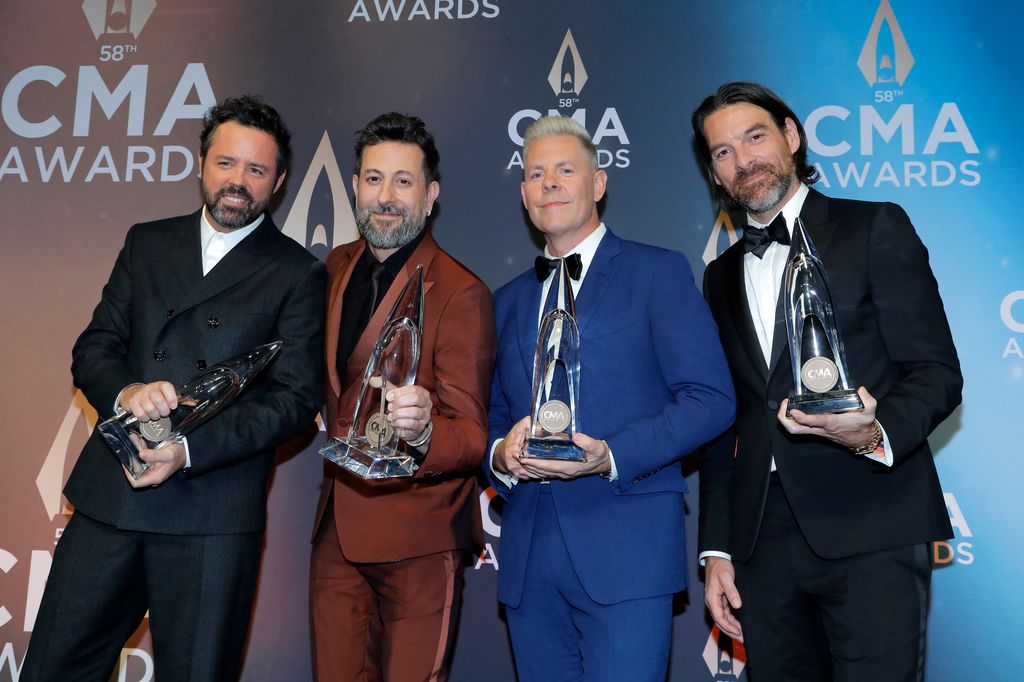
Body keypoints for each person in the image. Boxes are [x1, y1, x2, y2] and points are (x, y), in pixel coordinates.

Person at [22, 95, 326, 680]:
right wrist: (127, 392)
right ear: (202, 164)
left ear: (279, 182)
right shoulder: (148, 242)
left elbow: (293, 401)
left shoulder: (296, 273)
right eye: (226, 164)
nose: (238, 182)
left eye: (256, 170)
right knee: (52, 670)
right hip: (112, 498)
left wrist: (189, 449)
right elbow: (95, 347)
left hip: (212, 515)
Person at [693, 81, 962, 681]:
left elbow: (936, 373)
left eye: (755, 137)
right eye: (722, 152)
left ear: (791, 136)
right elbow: (726, 420)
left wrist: (872, 433)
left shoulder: (874, 227)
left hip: (873, 521)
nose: (743, 159)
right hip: (762, 543)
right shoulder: (719, 277)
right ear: (714, 173)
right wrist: (717, 549)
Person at [487, 116, 735, 681]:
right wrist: (500, 452)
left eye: (565, 170)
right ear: (524, 194)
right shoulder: (504, 302)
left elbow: (710, 398)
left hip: (629, 549)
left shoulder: (658, 272)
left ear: (598, 184)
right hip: (527, 560)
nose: (549, 183)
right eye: (535, 174)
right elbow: (492, 417)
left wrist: (612, 455)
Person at [310, 112, 496, 682]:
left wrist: (422, 431)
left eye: (403, 181)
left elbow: (470, 435)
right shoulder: (333, 267)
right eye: (373, 179)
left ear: (431, 194)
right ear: (355, 185)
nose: (385, 197)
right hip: (337, 534)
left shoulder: (462, 292)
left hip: (419, 536)